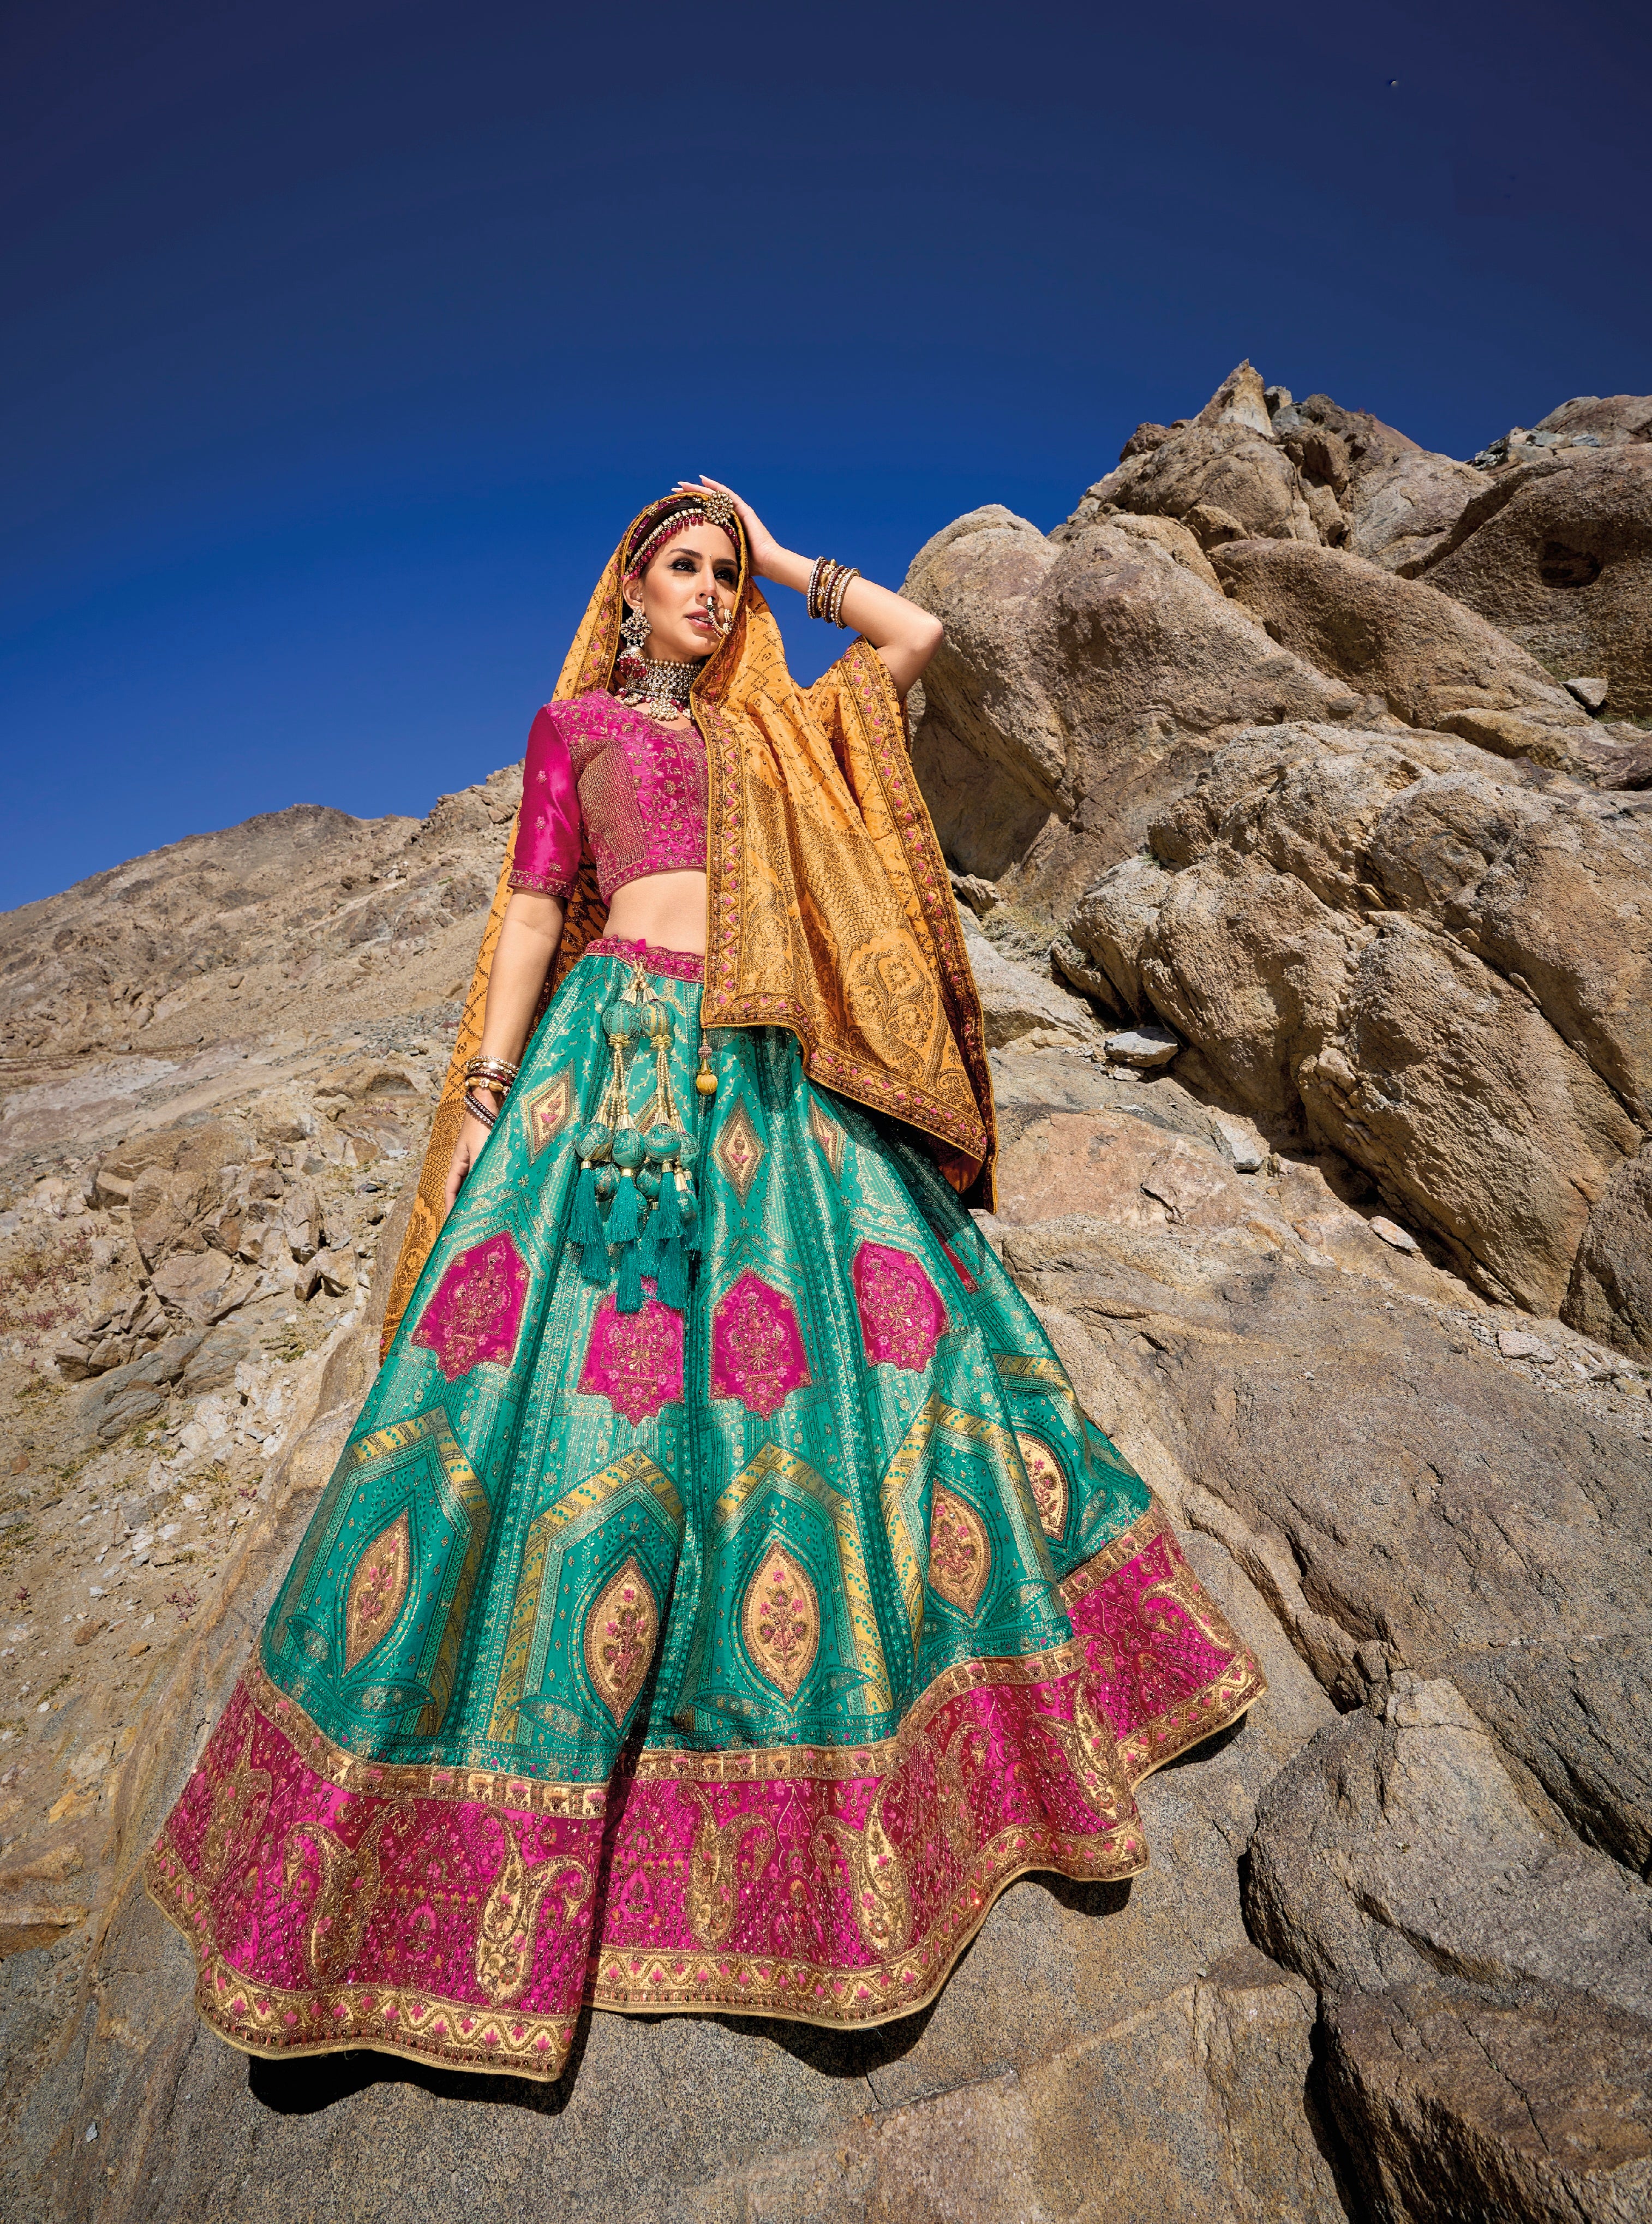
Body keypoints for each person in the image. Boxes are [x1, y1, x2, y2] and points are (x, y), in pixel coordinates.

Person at [147, 481, 1264, 2080]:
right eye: (686, 565)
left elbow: (918, 638)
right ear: (627, 587)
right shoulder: (576, 732)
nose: (711, 590)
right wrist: (485, 1092)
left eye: (725, 574)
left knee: (861, 1373)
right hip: (607, 1074)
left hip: (763, 1065)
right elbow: (535, 907)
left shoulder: (773, 733)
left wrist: (785, 550)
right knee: (561, 1408)